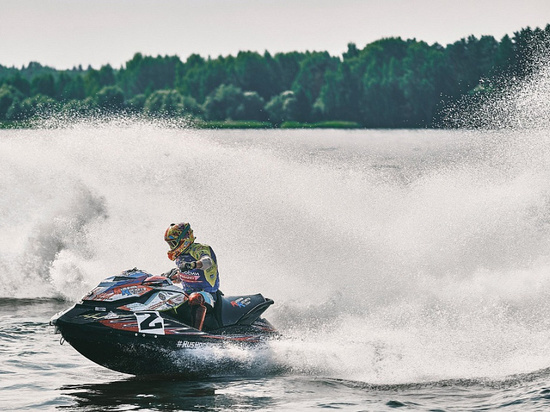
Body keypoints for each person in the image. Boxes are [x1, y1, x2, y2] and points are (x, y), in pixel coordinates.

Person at [164, 222, 219, 331]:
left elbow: (207, 262)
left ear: (184, 239)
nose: (171, 247)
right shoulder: (180, 257)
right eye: (170, 244)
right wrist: (173, 277)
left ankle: (195, 333)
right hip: (186, 294)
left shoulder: (199, 249)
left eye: (173, 243)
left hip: (208, 295)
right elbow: (187, 275)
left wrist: (193, 264)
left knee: (195, 298)